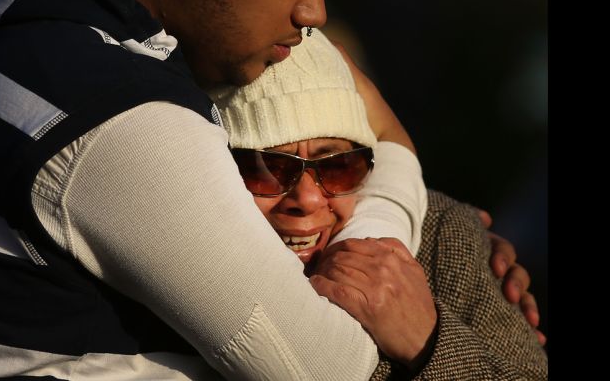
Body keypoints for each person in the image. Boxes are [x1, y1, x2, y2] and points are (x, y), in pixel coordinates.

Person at [0, 0, 541, 379]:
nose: (312, 10)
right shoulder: (113, 115)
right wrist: (396, 206)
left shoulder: (14, 24)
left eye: (339, 164)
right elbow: (329, 368)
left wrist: (442, 237)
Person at [210, 29, 547, 379]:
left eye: (337, 166)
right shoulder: (168, 252)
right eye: (268, 168)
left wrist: (428, 341)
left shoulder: (445, 241)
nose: (307, 199)